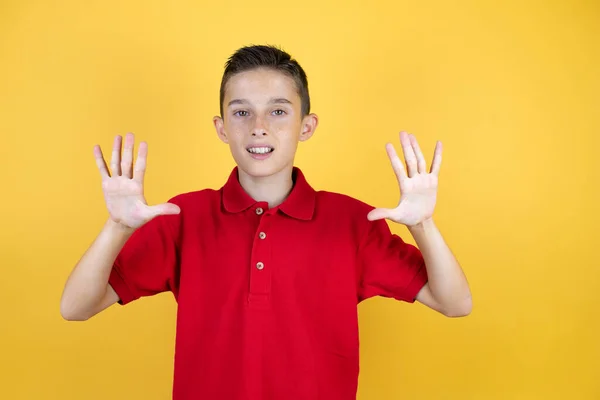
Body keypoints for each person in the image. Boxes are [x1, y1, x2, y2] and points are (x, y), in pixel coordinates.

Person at [60, 44, 472, 400]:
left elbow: (455, 304)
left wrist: (423, 226)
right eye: (242, 112)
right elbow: (75, 308)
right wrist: (117, 227)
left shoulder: (353, 223)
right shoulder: (181, 218)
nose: (259, 128)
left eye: (278, 111)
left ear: (305, 126)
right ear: (221, 128)